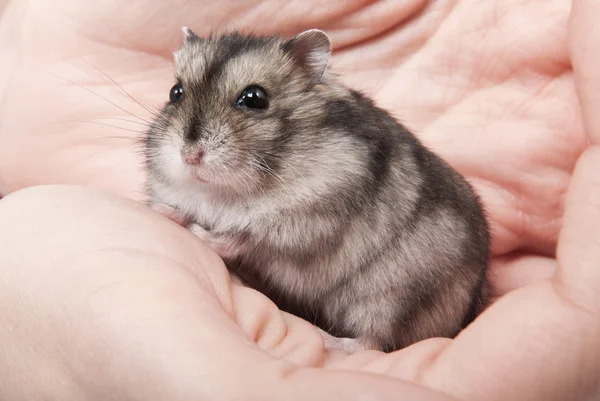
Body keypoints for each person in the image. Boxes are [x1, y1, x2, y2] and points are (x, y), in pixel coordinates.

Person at [0, 0, 598, 399]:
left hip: (398, 277)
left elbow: (322, 225)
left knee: (437, 244)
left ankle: (372, 337)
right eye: (180, 93)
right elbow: (170, 178)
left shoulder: (337, 156)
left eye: (251, 100)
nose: (192, 142)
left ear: (311, 78)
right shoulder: (173, 142)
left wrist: (248, 235)